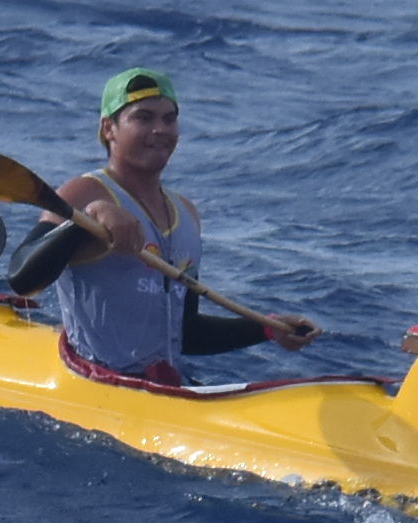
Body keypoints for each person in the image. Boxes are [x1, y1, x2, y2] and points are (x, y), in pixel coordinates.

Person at [19, 66, 315, 383]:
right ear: (109, 128)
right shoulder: (83, 193)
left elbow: (186, 333)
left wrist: (267, 329)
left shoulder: (186, 213)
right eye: (143, 118)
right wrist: (88, 219)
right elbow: (22, 277)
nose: (160, 129)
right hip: (97, 384)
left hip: (168, 388)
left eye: (169, 119)